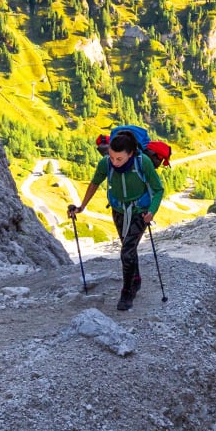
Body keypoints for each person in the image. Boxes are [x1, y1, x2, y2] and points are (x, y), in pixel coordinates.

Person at [70, 129, 163, 311]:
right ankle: (136, 279)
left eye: (119, 159)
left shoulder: (143, 162)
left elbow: (158, 189)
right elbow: (95, 182)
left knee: (127, 251)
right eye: (112, 157)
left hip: (140, 212)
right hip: (118, 210)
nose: (114, 162)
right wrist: (82, 207)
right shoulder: (106, 163)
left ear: (131, 153)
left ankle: (127, 292)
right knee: (128, 247)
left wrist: (152, 211)